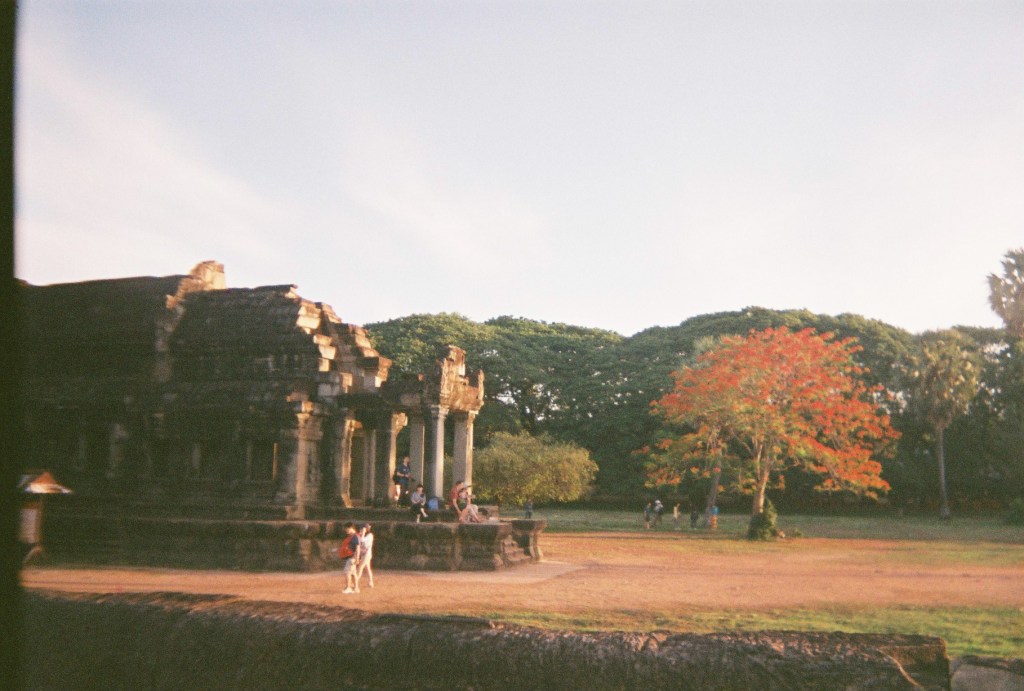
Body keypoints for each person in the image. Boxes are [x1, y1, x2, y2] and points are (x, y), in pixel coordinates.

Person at [339, 522, 361, 594]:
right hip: (353, 557)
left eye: (347, 529)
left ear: (351, 528)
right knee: (353, 573)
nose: (346, 531)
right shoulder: (354, 536)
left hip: (352, 558)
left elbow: (357, 548)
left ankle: (348, 588)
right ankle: (356, 588)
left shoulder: (355, 537)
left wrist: (357, 558)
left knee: (347, 572)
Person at [356, 523, 374, 589]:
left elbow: (362, 540)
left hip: (367, 555)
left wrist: (363, 533)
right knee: (367, 568)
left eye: (362, 529)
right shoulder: (362, 536)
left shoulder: (370, 535)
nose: (360, 531)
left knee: (360, 568)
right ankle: (371, 582)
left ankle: (355, 582)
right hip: (364, 555)